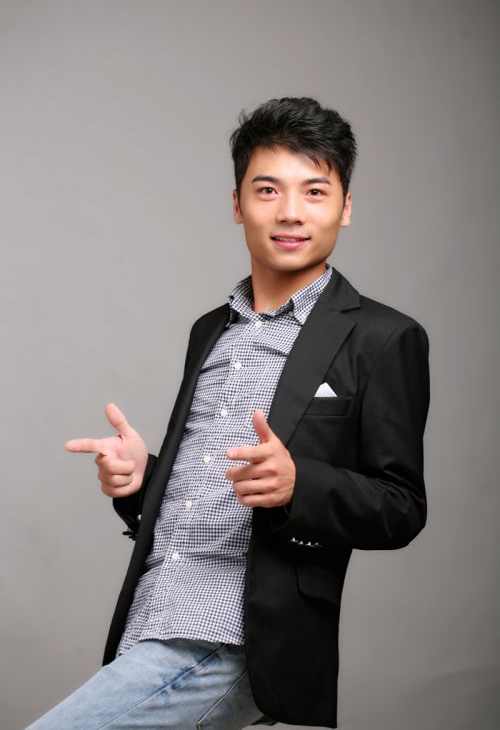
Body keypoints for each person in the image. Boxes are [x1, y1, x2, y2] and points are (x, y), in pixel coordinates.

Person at [28, 97, 429, 730]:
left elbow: (401, 505)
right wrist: (142, 478)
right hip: (150, 618)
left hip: (241, 635)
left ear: (346, 207)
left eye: (315, 191)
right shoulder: (210, 330)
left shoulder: (383, 338)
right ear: (238, 204)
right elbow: (203, 488)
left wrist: (300, 485)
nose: (290, 211)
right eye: (268, 190)